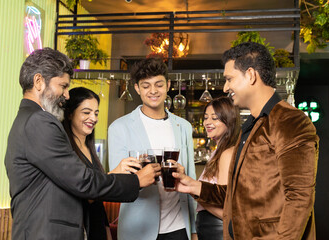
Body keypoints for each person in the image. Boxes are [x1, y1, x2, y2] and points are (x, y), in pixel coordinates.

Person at [4, 48, 160, 240]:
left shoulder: (27, 119)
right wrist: (136, 181)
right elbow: (82, 181)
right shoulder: (39, 121)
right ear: (38, 81)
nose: (67, 95)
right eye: (63, 86)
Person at [174, 42, 319, 240]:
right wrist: (190, 185)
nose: (225, 88)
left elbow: (299, 199)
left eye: (229, 79)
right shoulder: (250, 126)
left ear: (250, 75)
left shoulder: (289, 121)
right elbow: (233, 195)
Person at [108, 58, 197, 240]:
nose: (153, 91)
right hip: (138, 228)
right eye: (146, 86)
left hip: (179, 227)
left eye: (159, 84)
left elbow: (191, 178)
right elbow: (118, 185)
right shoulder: (119, 128)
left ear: (168, 85)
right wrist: (141, 178)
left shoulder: (184, 126)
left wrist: (194, 230)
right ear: (137, 88)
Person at [63, 87, 129, 240]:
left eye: (96, 113)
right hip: (78, 230)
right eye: (86, 112)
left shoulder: (89, 148)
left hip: (97, 229)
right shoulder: (65, 150)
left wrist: (106, 231)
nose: (93, 118)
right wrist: (115, 174)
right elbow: (82, 194)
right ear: (70, 114)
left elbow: (97, 203)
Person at [195, 96, 240, 240]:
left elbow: (226, 209)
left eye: (215, 118)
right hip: (210, 228)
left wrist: (196, 193)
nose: (207, 122)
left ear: (229, 120)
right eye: (206, 117)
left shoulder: (227, 153)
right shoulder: (219, 151)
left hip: (218, 229)